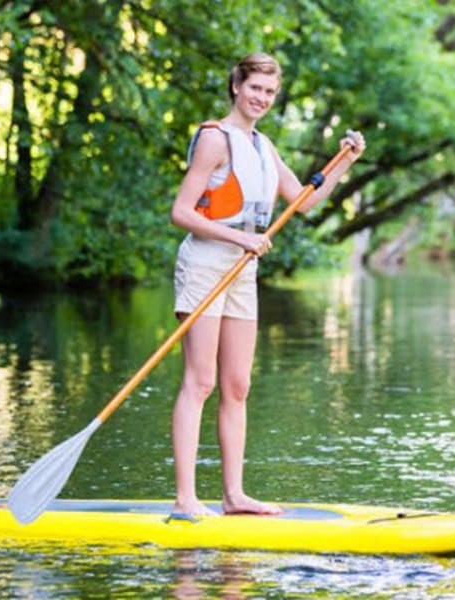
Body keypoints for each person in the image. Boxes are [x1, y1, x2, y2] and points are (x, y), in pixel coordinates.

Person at [168, 52, 366, 518]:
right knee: (201, 381)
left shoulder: (263, 146)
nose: (261, 98)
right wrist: (242, 237)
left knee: (237, 385)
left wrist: (346, 162)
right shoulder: (215, 140)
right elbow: (181, 212)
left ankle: (234, 496)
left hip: (243, 270)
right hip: (205, 265)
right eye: (255, 87)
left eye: (270, 92)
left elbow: (305, 202)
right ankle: (184, 499)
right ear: (237, 85)